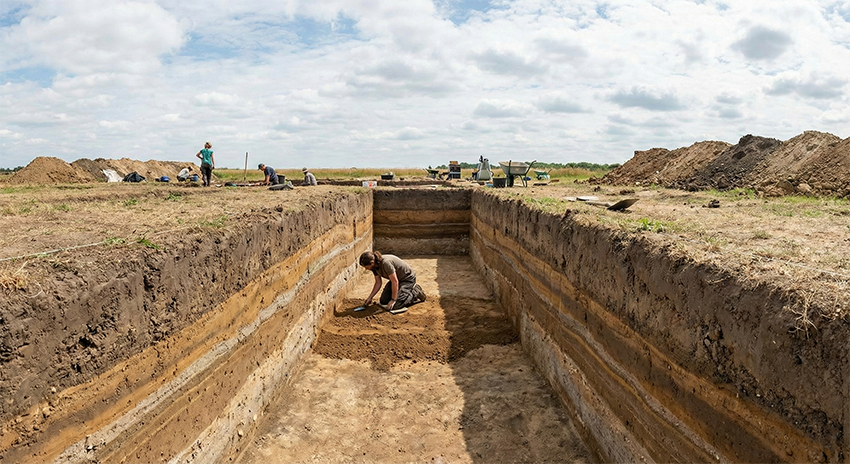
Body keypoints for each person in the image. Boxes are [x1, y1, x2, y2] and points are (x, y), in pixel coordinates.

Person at [359, 251, 426, 314]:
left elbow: (395, 282)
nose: (366, 269)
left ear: (372, 262)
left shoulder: (386, 263)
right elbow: (378, 283)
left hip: (407, 279)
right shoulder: (374, 267)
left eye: (366, 266)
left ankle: (415, 292)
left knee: (396, 305)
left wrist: (393, 300)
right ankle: (402, 291)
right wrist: (370, 297)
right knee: (384, 301)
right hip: (397, 279)